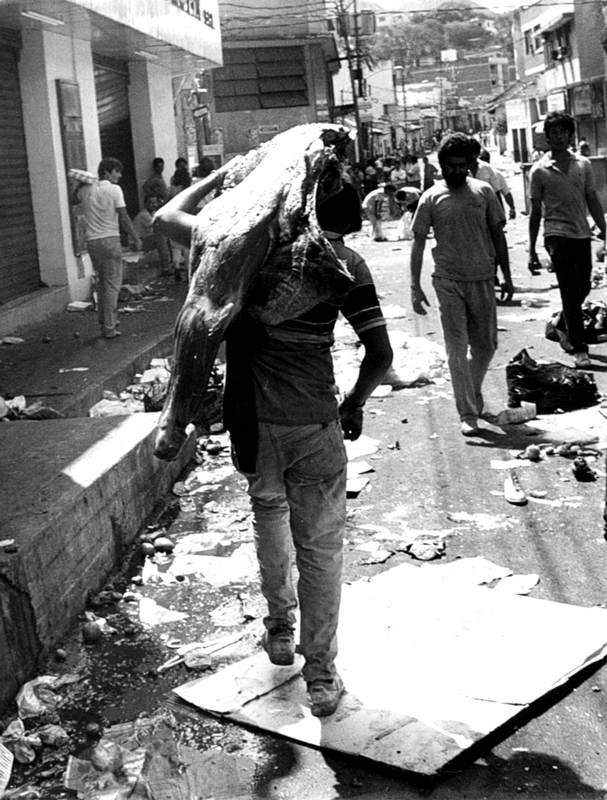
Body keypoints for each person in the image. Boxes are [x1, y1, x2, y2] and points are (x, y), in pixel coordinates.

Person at [154, 177, 393, 717]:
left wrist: (223, 178)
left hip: (253, 424)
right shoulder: (344, 264)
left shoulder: (245, 253)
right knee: (320, 550)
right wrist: (352, 403)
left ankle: (280, 631)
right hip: (314, 422)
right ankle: (322, 673)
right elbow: (379, 352)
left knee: (268, 516)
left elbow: (165, 218)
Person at [409, 132, 513, 436]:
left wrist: (506, 274)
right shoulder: (430, 197)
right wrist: (415, 286)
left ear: (470, 164)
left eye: (462, 165)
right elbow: (417, 244)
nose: (457, 171)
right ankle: (466, 412)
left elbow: (498, 235)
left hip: (482, 278)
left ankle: (472, 388)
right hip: (447, 281)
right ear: (442, 165)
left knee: (486, 345)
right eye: (451, 165)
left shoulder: (483, 192)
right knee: (456, 349)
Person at [529, 111, 606, 369]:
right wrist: (532, 250)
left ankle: (562, 323)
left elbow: (592, 199)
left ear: (570, 135)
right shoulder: (539, 170)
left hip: (582, 233)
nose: (558, 137)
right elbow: (536, 211)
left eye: (563, 132)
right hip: (556, 234)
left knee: (583, 286)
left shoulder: (583, 164)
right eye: (553, 133)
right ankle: (579, 347)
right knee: (569, 289)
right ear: (547, 137)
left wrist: (604, 229)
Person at [73, 157, 141, 339]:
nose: (119, 175)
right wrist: (135, 237)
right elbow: (124, 216)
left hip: (92, 243)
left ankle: (105, 320)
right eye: (116, 171)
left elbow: (73, 200)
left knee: (102, 282)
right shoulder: (114, 190)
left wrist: (80, 184)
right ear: (106, 172)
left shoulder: (86, 189)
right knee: (112, 285)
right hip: (110, 240)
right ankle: (109, 327)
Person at [479, 149, 516, 219]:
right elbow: (506, 193)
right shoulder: (470, 173)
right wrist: (512, 208)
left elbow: (505, 193)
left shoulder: (496, 174)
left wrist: (512, 208)